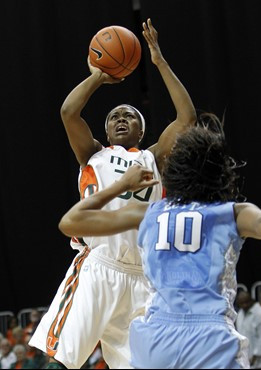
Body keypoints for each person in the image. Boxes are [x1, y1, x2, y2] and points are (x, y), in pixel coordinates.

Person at [29, 18, 196, 369]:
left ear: (142, 129)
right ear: (105, 130)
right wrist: (98, 76)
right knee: (62, 359)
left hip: (142, 277)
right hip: (98, 266)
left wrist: (159, 61)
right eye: (114, 116)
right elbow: (68, 111)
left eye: (130, 116)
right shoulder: (93, 154)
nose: (121, 119)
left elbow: (186, 117)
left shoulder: (154, 158)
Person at [59, 113, 261, 369]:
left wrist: (120, 186)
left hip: (155, 340)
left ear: (171, 174)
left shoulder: (147, 213)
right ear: (222, 174)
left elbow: (70, 222)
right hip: (210, 338)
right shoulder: (235, 214)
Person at [236, 291, 261, 369]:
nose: (245, 305)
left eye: (246, 302)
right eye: (242, 303)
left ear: (251, 300)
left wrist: (254, 357)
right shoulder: (240, 315)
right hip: (247, 364)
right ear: (238, 303)